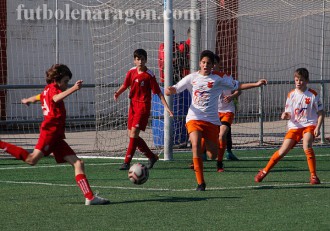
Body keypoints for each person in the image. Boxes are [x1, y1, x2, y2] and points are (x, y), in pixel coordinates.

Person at [0, 64, 109, 205]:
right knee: (31, 159)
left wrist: (29, 100)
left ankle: (90, 197)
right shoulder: (53, 90)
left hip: (56, 135)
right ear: (57, 80)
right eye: (65, 82)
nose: (66, 84)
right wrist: (74, 88)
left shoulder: (47, 90)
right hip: (50, 132)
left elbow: (41, 96)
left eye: (68, 82)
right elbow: (56, 98)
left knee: (78, 163)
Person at [165, 50, 267, 191]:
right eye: (203, 62)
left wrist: (256, 84)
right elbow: (176, 88)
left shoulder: (218, 79)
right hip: (194, 118)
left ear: (212, 65)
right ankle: (201, 183)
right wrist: (170, 90)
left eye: (208, 63)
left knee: (212, 155)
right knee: (195, 144)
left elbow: (238, 86)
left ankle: (213, 155)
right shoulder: (192, 78)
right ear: (200, 63)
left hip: (212, 121)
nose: (206, 65)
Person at [255, 68, 324, 185]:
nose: (298, 82)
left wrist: (317, 127)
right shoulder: (291, 94)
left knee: (306, 145)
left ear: (307, 81)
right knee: (282, 151)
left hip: (309, 125)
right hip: (294, 126)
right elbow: (289, 113)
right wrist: (285, 115)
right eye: (296, 80)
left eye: (301, 80)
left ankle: (313, 176)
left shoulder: (313, 95)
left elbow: (321, 113)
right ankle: (265, 171)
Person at [114, 49, 173, 170]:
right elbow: (125, 85)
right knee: (132, 134)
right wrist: (117, 93)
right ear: (134, 60)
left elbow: (158, 93)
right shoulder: (131, 72)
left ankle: (126, 162)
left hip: (143, 106)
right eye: (137, 59)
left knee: (134, 133)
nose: (140, 61)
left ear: (146, 60)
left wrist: (167, 107)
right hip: (133, 106)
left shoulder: (149, 75)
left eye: (142, 59)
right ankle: (151, 156)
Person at [213, 54, 241, 172]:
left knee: (222, 134)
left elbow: (239, 90)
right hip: (213, 112)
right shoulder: (204, 78)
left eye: (214, 63)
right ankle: (199, 157)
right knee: (204, 135)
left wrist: (232, 96)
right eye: (209, 63)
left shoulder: (227, 78)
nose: (212, 66)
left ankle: (220, 162)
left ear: (219, 64)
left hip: (227, 111)